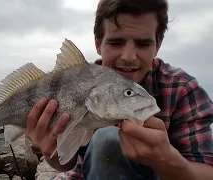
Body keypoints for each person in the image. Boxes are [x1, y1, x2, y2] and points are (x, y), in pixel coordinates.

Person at [25, 0, 213, 179]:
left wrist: (165, 159)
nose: (129, 56)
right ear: (98, 43)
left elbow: (207, 171)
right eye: (116, 42)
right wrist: (51, 152)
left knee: (108, 139)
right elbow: (66, 162)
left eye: (143, 43)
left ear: (158, 45)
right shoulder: (76, 82)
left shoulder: (182, 89)